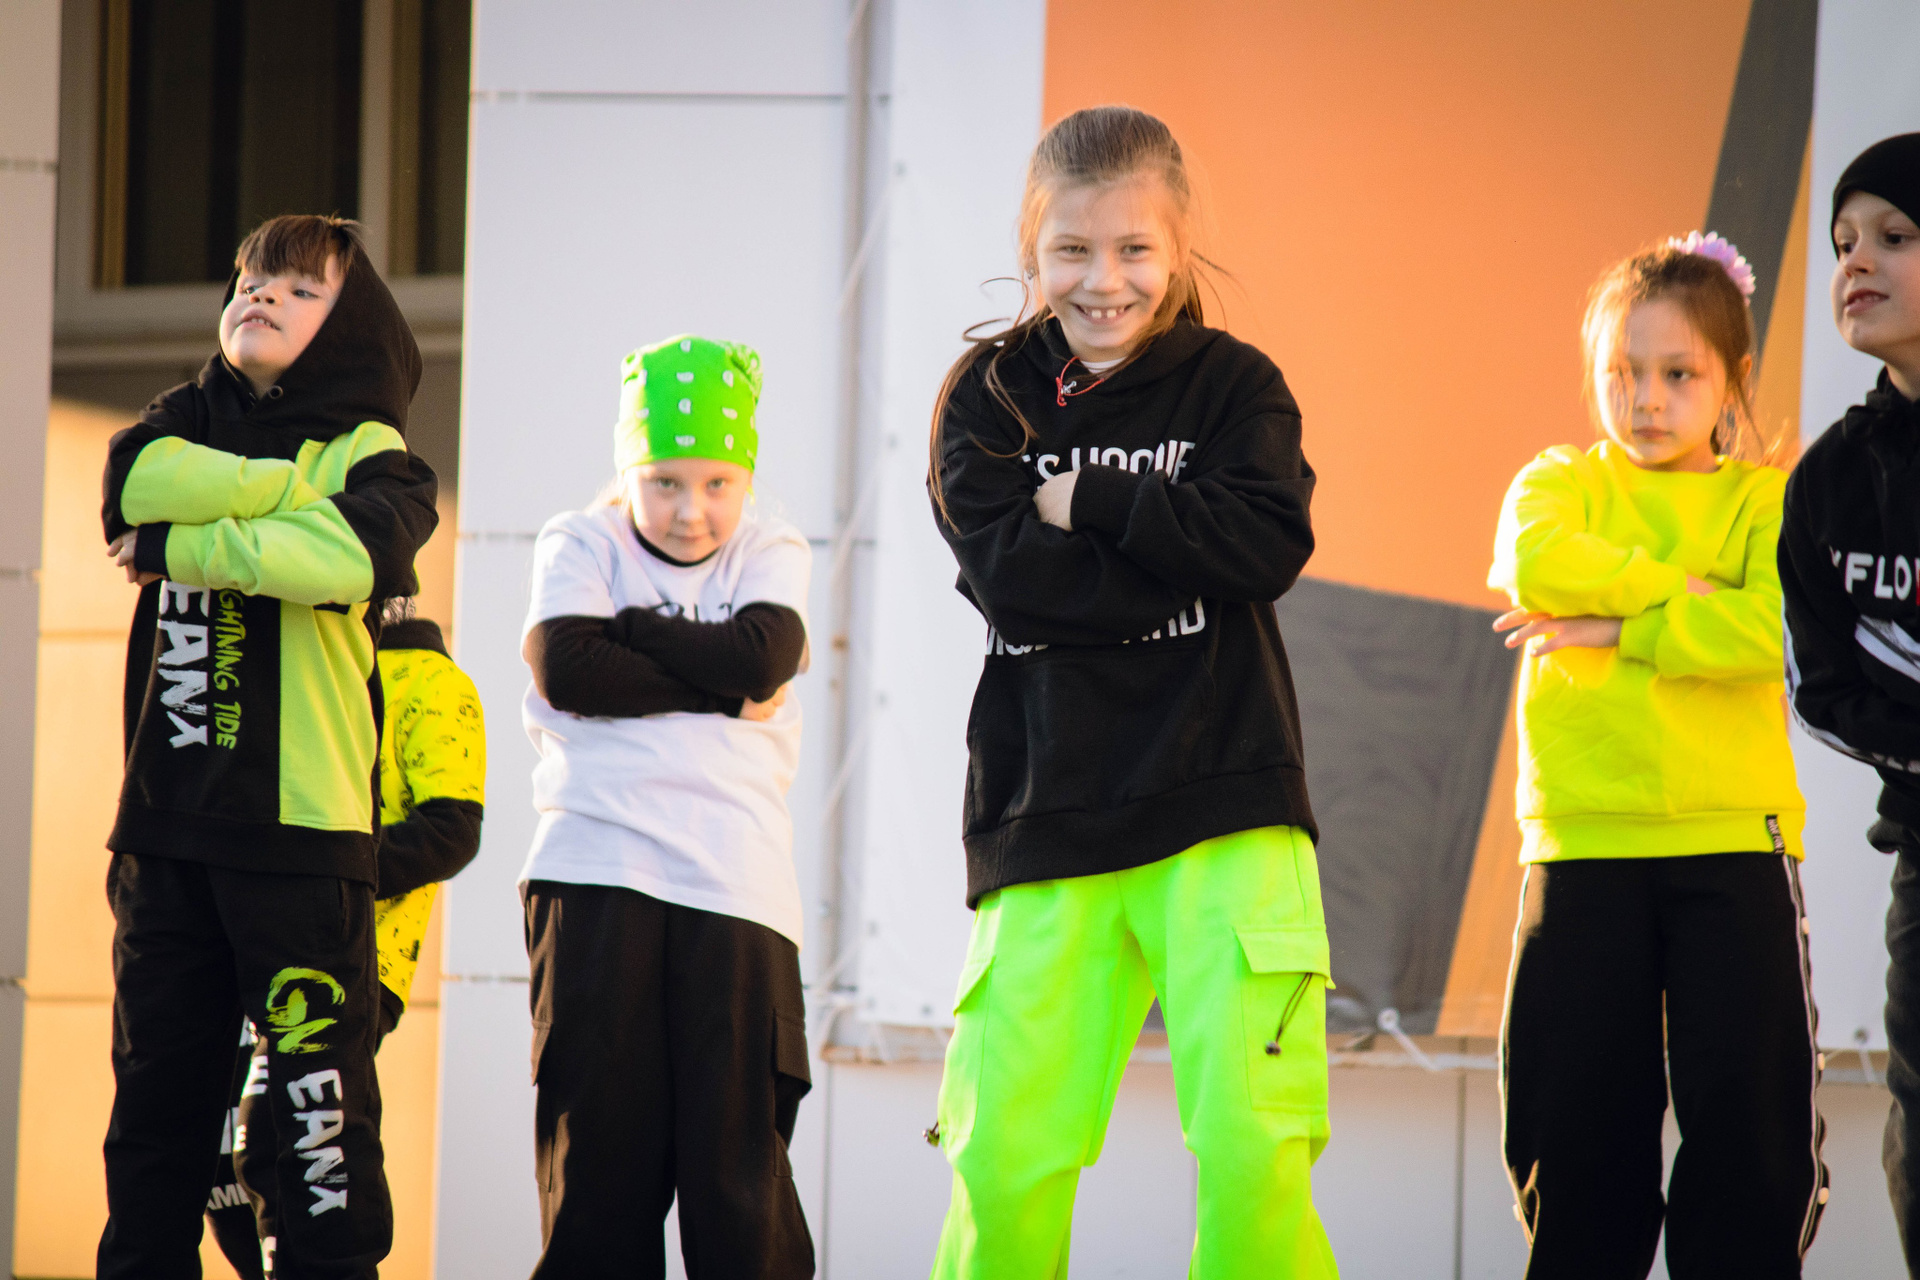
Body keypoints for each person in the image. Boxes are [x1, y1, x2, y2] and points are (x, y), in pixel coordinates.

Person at [924, 105, 1335, 1279]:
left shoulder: (1236, 386)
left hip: (1227, 805)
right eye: (1072, 249)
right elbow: (1013, 584)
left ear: (1180, 245)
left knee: (1255, 1151)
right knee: (1003, 1155)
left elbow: (1266, 545)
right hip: (1043, 815)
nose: (1103, 281)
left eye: (1134, 249)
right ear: (1031, 245)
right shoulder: (986, 396)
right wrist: (1179, 544)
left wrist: (1098, 502)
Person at [96, 213, 438, 1279]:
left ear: (353, 327)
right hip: (166, 832)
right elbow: (129, 485)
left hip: (301, 837)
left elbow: (350, 556)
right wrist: (287, 495)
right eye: (250, 279)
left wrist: (184, 547)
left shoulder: (376, 456)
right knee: (155, 1123)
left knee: (315, 1127)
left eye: (299, 288)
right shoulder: (178, 422)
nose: (260, 296)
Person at [1491, 233, 1823, 1278]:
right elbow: (1535, 559)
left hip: (1733, 846)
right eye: (1621, 372)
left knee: (1748, 1144)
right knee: (1576, 1142)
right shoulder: (1557, 480)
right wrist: (1687, 599)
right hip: (1583, 849)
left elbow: (1774, 631)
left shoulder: (1766, 500)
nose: (1645, 399)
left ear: (1733, 377)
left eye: (1679, 373)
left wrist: (1618, 625)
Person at [519, 334, 814, 1277]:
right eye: (664, 483)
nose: (692, 512)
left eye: (719, 483)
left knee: (738, 1186)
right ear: (627, 473)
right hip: (595, 872)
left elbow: (764, 656)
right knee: (597, 1178)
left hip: (736, 886)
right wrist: (720, 688)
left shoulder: (771, 545)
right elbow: (570, 670)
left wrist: (633, 633)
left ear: (747, 479)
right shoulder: (580, 540)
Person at [206, 597, 486, 1278]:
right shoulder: (310, 668)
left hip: (356, 957)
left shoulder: (433, 680)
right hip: (261, 945)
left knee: (288, 1137)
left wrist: (328, 879)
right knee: (226, 1162)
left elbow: (451, 831)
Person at [1778, 132, 1920, 1272]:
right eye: (1841, 242)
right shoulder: (1828, 479)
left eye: (1895, 236)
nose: (1856, 262)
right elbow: (1822, 688)